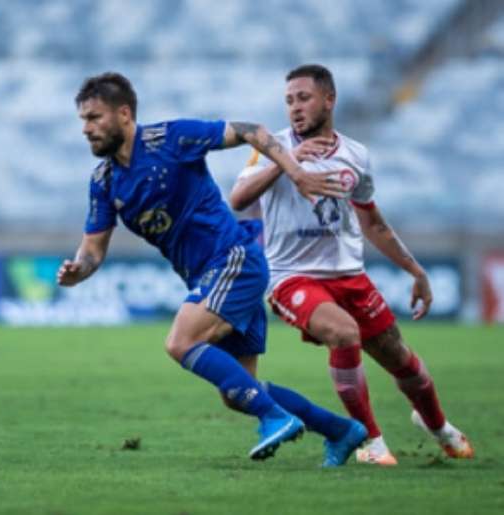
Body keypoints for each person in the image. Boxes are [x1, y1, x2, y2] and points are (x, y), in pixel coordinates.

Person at [58, 72, 367, 466]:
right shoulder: (103, 181)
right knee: (239, 392)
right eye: (83, 120)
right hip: (212, 273)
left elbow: (251, 130)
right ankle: (342, 431)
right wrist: (77, 270)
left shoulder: (170, 139)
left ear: (124, 114)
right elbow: (92, 251)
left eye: (94, 118)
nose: (86, 129)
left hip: (233, 258)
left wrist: (296, 172)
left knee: (180, 342)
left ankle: (274, 417)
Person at [230, 64, 473, 465]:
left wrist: (416, 271)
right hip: (292, 277)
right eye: (289, 100)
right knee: (343, 333)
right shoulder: (271, 144)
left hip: (350, 275)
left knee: (400, 358)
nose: (295, 108)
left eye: (303, 98)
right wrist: (286, 161)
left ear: (329, 99)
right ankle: (370, 441)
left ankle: (438, 426)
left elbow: (372, 222)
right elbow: (238, 200)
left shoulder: (356, 155)